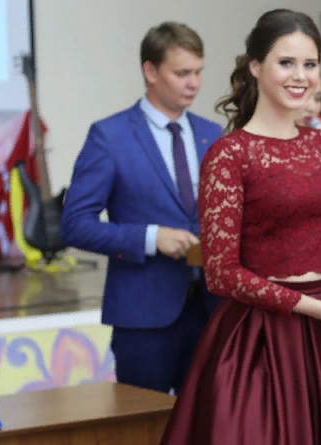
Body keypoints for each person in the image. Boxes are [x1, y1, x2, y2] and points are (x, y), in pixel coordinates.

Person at [160, 9, 321, 445]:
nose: (300, 76)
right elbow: (221, 274)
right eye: (286, 62)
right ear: (255, 66)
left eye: (310, 64)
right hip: (262, 337)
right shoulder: (229, 155)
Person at [60, 22, 223, 394]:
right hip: (143, 317)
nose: (194, 83)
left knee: (206, 420)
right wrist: (150, 238)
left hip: (210, 311)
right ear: (150, 71)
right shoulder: (109, 136)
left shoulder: (212, 134)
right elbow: (75, 224)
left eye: (199, 72)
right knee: (145, 421)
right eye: (182, 73)